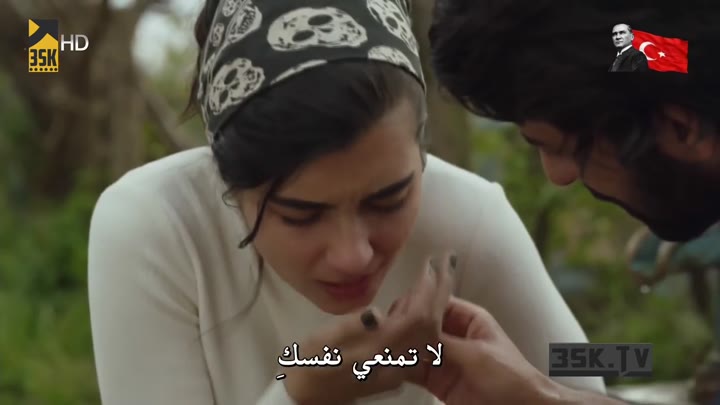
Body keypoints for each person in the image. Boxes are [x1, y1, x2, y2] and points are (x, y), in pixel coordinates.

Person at [87, 0, 604, 404]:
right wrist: (300, 393)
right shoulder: (155, 227)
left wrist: (540, 394)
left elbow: (592, 370)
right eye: (301, 215)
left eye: (389, 200)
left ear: (421, 150)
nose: (353, 255)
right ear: (228, 181)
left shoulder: (466, 216)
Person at [422, 0, 720, 402]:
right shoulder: (675, 60)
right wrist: (538, 397)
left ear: (678, 128)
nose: (558, 176)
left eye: (557, 147)